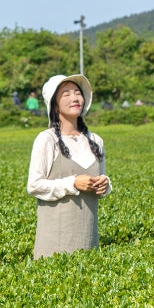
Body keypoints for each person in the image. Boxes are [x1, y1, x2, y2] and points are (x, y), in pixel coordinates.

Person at [27, 74, 111, 259]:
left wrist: (105, 184)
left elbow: (103, 178)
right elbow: (34, 185)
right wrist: (73, 183)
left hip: (88, 236)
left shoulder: (95, 140)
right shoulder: (47, 140)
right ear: (55, 105)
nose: (74, 98)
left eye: (77, 93)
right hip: (55, 239)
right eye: (66, 94)